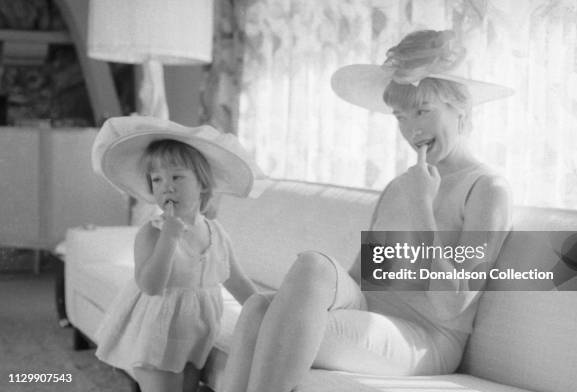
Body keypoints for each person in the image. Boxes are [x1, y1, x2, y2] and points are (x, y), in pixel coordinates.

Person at [222, 29, 514, 392]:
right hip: (371, 316)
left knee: (279, 315)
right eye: (400, 116)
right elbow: (360, 281)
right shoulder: (400, 185)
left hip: (426, 339)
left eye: (423, 110)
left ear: (461, 109)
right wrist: (311, 298)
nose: (413, 129)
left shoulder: (486, 188)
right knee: (263, 304)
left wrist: (422, 206)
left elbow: (451, 305)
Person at [91, 116, 262, 392]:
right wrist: (170, 237)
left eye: (177, 177)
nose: (166, 186)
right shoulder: (152, 233)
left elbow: (237, 281)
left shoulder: (215, 232)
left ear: (203, 184)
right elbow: (150, 285)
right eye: (156, 179)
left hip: (197, 335)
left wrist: (265, 313)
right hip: (157, 336)